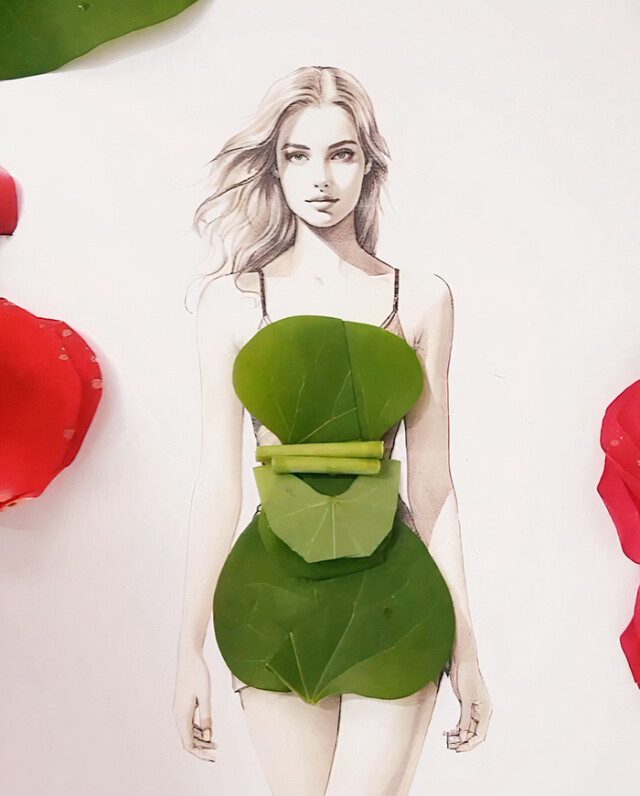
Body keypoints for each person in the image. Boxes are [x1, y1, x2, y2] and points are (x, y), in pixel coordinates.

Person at [173, 65, 492, 795]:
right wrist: (187, 649)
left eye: (341, 153)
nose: (320, 177)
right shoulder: (230, 304)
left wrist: (468, 648)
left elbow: (435, 488)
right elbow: (217, 485)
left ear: (368, 164)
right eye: (298, 154)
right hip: (271, 596)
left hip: (395, 594)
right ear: (275, 166)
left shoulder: (421, 299)